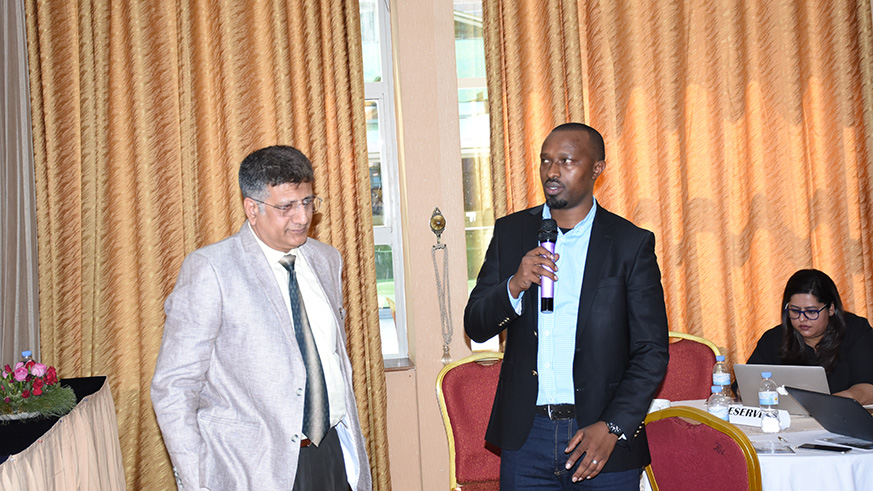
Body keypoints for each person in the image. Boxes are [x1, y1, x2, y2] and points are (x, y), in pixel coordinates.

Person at [151, 145, 372, 491]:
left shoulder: (326, 259)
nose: (302, 217)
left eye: (307, 202)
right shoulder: (211, 269)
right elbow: (174, 387)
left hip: (331, 452)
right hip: (252, 469)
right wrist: (198, 480)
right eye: (286, 207)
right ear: (252, 209)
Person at [464, 123, 669, 489]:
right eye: (546, 161)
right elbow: (476, 325)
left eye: (566, 161)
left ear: (597, 168)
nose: (552, 171)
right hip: (527, 437)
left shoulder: (629, 243)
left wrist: (612, 427)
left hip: (600, 438)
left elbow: (651, 351)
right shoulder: (512, 232)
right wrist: (514, 284)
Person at [743, 268, 873, 405]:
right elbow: (744, 387)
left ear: (830, 309)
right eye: (795, 311)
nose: (802, 319)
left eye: (811, 311)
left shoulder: (856, 330)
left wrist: (829, 403)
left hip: (843, 414)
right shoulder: (773, 339)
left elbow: (868, 387)